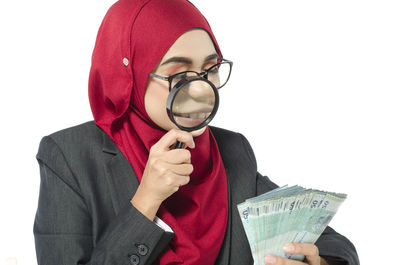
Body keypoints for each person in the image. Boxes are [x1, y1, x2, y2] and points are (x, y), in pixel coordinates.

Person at [33, 0, 359, 264]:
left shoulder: (231, 149)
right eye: (178, 75)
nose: (203, 91)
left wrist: (320, 262)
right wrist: (146, 201)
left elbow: (328, 239)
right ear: (128, 78)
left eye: (210, 69)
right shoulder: (69, 157)